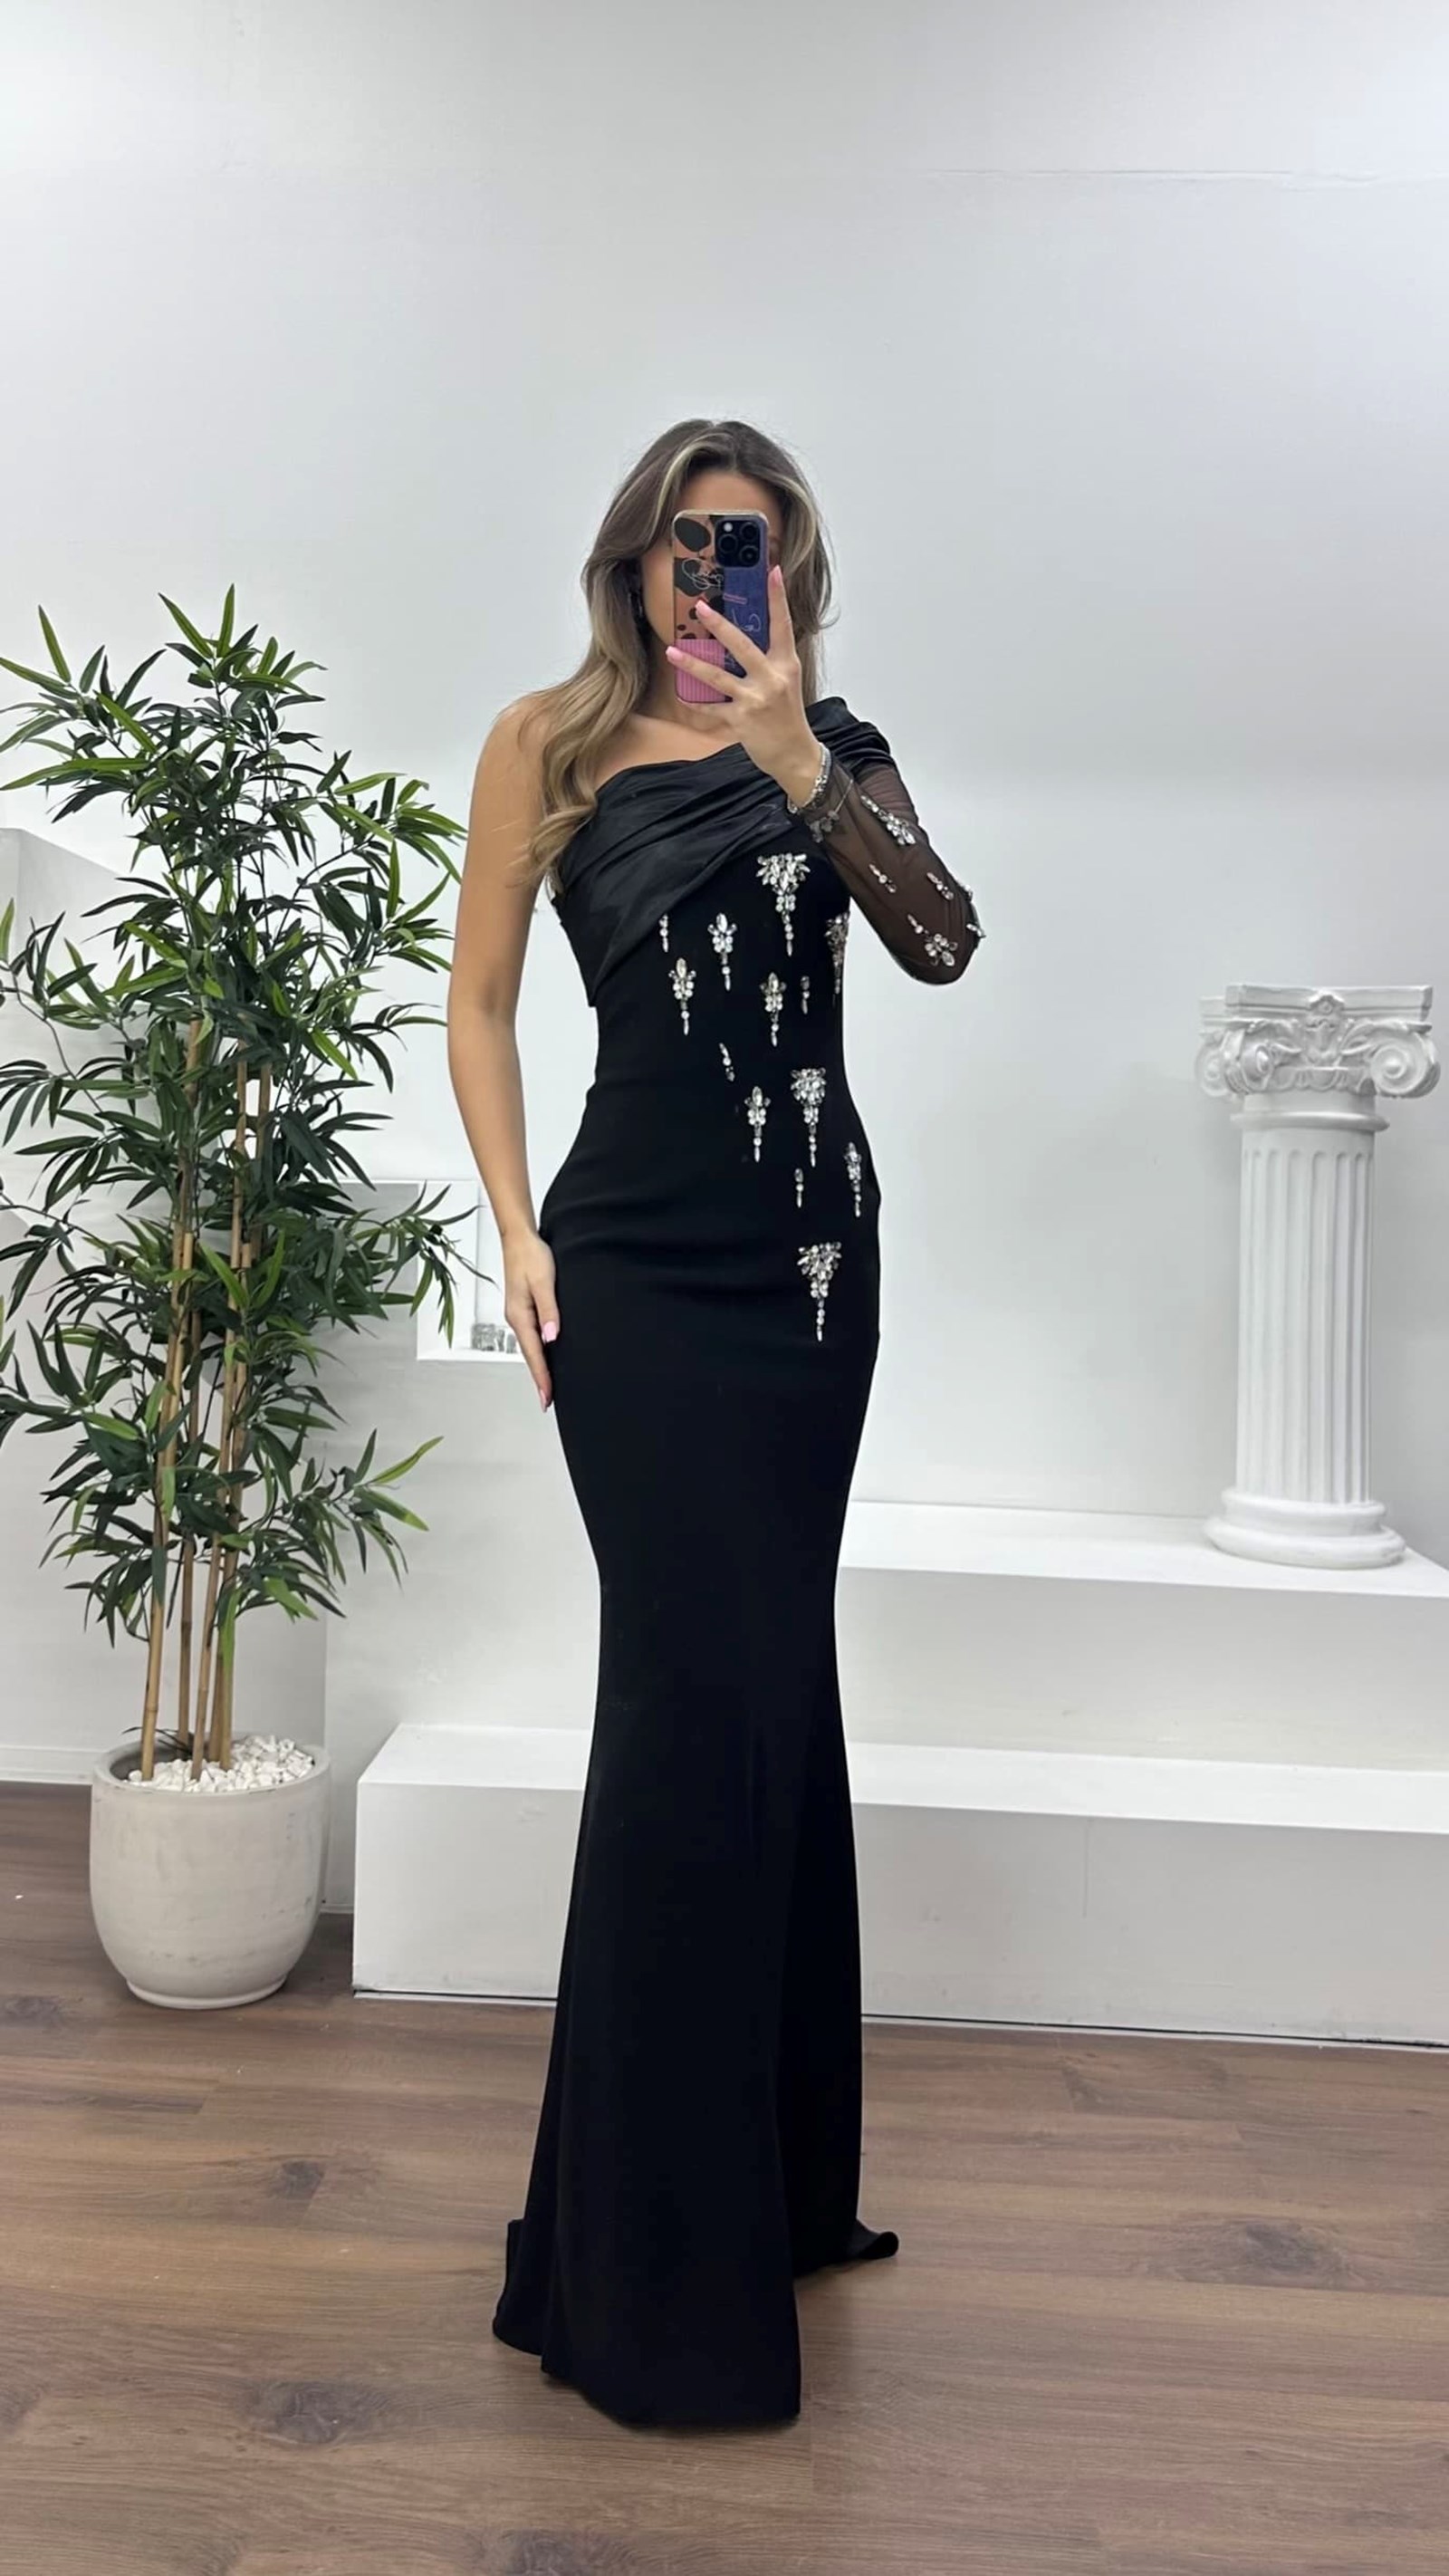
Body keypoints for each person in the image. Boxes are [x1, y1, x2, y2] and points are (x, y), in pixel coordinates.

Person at [446, 418, 984, 2429]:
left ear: (790, 568)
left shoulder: (832, 747)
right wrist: (513, 1227)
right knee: (689, 1708)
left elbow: (940, 937)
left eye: (743, 544)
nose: (708, 575)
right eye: (684, 542)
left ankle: (761, 2190)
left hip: (809, 1268)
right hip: (633, 1271)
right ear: (633, 561)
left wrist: (794, 762)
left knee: (773, 1692)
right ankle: (642, 2278)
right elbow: (480, 1001)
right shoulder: (543, 745)